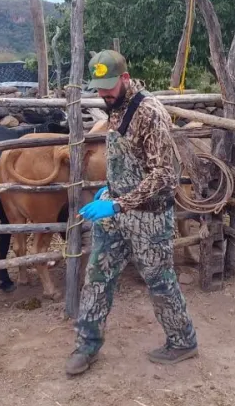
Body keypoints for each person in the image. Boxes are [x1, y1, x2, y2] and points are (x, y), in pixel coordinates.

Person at [65, 50, 198, 376]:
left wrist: (118, 203)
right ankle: (87, 345)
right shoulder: (114, 108)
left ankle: (183, 341)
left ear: (125, 78)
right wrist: (110, 189)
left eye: (110, 86)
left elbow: (164, 174)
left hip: (148, 218)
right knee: (97, 277)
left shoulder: (150, 112)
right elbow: (128, 161)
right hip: (115, 214)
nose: (104, 93)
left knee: (160, 282)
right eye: (99, 88)